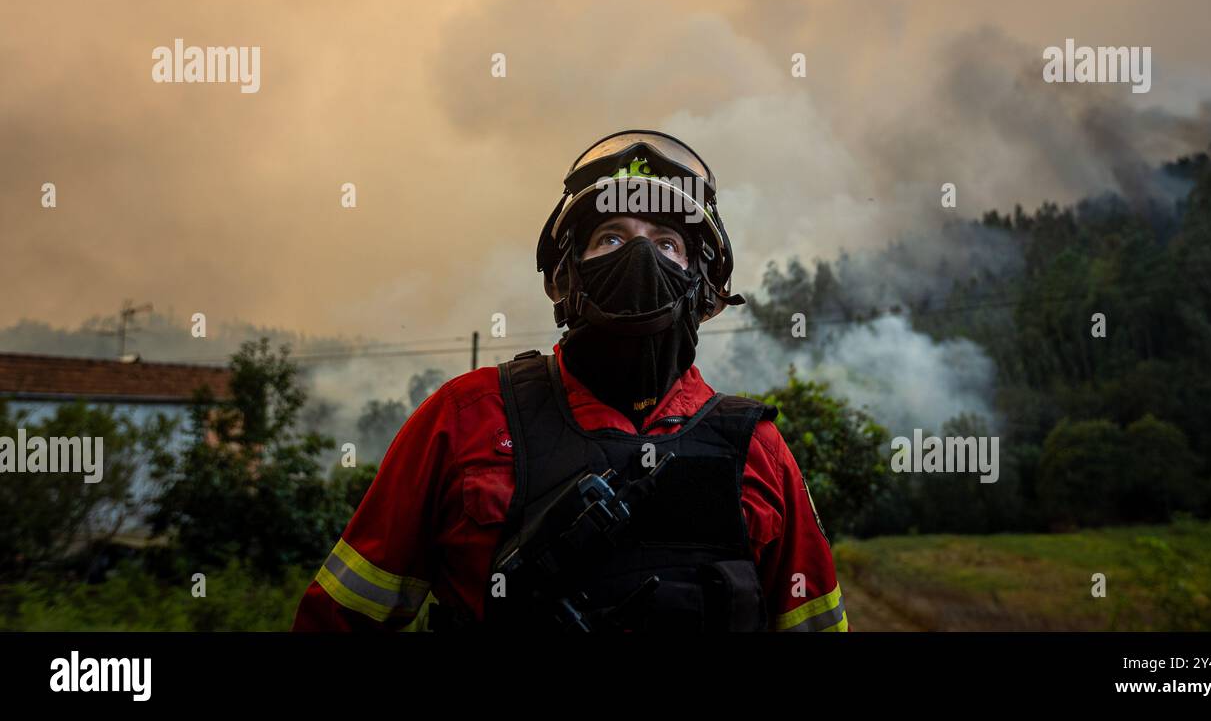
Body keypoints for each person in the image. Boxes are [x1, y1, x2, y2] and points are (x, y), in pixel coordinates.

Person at [292, 130, 849, 632]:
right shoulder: (464, 419)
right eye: (610, 237)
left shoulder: (757, 451)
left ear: (702, 288)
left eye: (666, 243)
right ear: (566, 275)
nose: (639, 257)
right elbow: (339, 621)